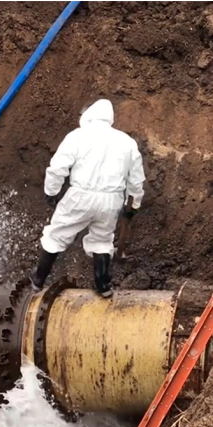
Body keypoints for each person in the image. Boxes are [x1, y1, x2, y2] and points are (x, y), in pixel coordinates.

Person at [29, 98, 145, 298]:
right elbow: (136, 180)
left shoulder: (78, 136)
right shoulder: (126, 142)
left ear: (88, 115)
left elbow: (58, 168)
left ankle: (38, 280)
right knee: (102, 239)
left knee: (57, 234)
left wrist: (51, 191)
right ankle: (103, 286)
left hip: (80, 196)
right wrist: (133, 203)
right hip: (111, 200)